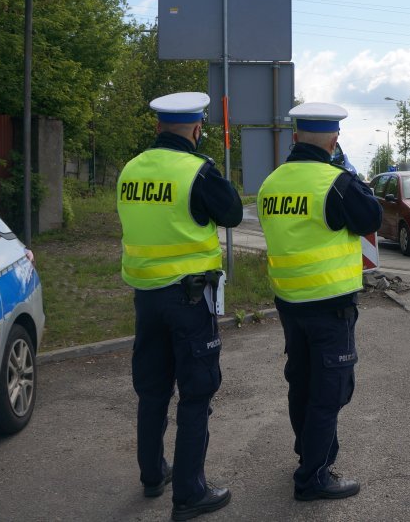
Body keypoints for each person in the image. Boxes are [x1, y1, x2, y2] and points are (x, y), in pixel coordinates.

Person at [116, 92, 242, 521]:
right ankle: (190, 493)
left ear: (157, 127)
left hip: (145, 297)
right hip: (188, 300)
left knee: (152, 390)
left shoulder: (131, 169)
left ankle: (153, 474)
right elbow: (232, 213)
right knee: (196, 392)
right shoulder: (197, 171)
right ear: (196, 128)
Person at [256, 102, 382, 502]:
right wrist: (350, 174)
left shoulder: (271, 182)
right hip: (330, 305)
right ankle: (312, 479)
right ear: (334, 141)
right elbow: (370, 219)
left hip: (289, 302)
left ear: (294, 138)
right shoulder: (336, 182)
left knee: (302, 382)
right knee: (330, 391)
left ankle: (308, 453)